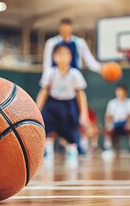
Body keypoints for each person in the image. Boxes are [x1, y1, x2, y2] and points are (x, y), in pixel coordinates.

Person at [43, 18, 101, 155]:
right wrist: (46, 83)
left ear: (71, 29)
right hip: (56, 84)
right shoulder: (51, 43)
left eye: (68, 28)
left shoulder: (79, 43)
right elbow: (46, 64)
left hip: (71, 84)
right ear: (60, 29)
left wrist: (101, 69)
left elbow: (90, 60)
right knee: (48, 120)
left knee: (73, 119)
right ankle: (46, 149)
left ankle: (77, 144)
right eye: (63, 28)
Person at [36, 43, 89, 163]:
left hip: (68, 104)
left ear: (70, 57)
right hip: (53, 103)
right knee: (47, 129)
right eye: (59, 54)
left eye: (65, 54)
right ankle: (47, 152)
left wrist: (83, 113)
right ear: (54, 57)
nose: (62, 57)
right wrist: (37, 109)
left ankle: (72, 151)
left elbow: (80, 95)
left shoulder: (75, 74)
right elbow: (44, 92)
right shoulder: (50, 72)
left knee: (70, 131)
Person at [103, 85, 130, 158]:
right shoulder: (112, 103)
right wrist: (109, 125)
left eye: (121, 92)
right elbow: (108, 116)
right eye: (118, 92)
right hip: (115, 123)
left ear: (125, 93)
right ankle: (108, 148)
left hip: (125, 123)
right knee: (108, 129)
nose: (120, 94)